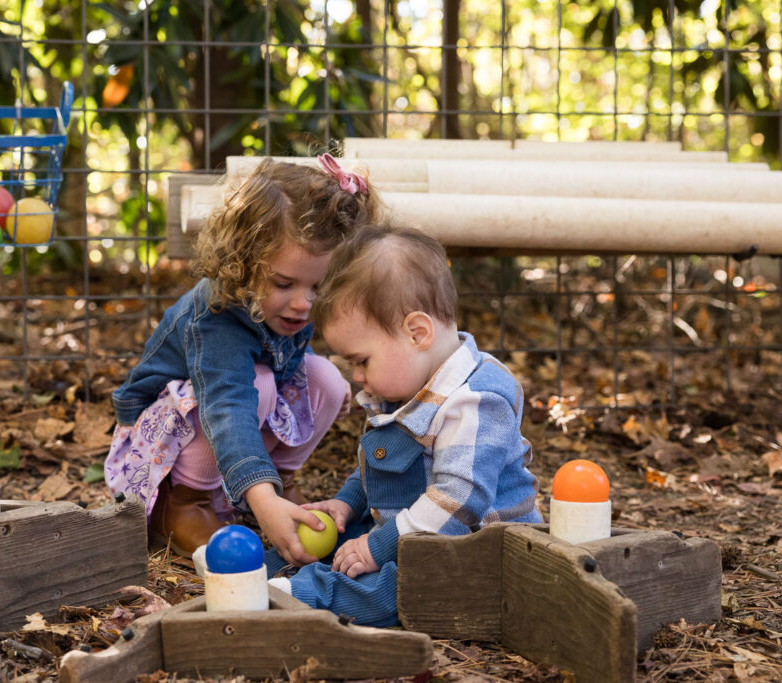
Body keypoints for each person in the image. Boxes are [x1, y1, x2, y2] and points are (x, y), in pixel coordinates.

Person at [105, 155, 380, 562]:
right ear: (244, 261)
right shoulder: (216, 318)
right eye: (284, 283)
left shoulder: (288, 305)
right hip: (159, 446)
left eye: (319, 286)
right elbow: (227, 407)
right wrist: (258, 496)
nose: (304, 303)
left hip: (226, 425)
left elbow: (292, 365)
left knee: (326, 379)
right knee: (259, 382)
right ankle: (185, 503)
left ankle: (275, 487)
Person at [266, 224, 542, 627]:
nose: (356, 376)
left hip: (472, 551)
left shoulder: (478, 399)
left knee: (397, 589)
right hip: (411, 527)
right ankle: (266, 569)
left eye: (361, 360)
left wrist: (378, 546)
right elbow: (382, 464)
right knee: (344, 540)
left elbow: (456, 501)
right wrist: (348, 503)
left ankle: (308, 595)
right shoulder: (406, 385)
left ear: (417, 333)